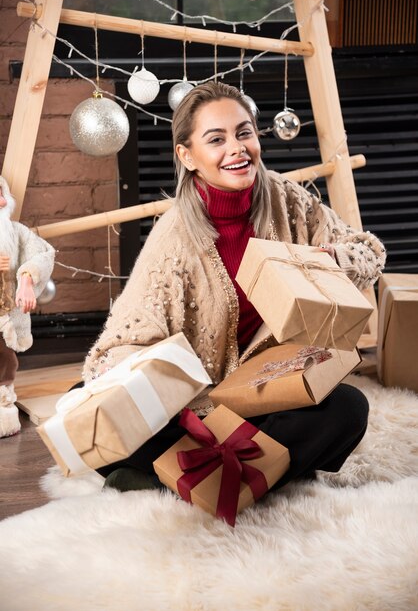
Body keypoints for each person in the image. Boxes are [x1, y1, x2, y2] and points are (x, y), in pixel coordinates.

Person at [82, 81, 386, 492]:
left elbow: (368, 253)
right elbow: (117, 346)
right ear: (187, 156)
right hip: (197, 412)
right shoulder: (172, 241)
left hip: (270, 396)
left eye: (244, 133)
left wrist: (328, 262)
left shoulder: (287, 199)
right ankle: (257, 474)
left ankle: (182, 480)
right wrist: (143, 376)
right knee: (97, 408)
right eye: (216, 139)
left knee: (349, 407)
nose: (237, 148)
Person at [0, 175, 55, 437]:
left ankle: (3, 398)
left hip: (4, 315)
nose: (1, 202)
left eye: (3, 194)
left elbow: (42, 253)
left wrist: (26, 279)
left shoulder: (17, 233)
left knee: (4, 358)